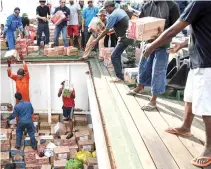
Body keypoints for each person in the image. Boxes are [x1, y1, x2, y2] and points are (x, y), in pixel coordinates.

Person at [142, 1, 211, 167]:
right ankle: (186, 127)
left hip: (206, 63)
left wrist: (151, 46)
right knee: (190, 96)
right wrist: (183, 43)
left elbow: (173, 29)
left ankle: (209, 148)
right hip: (198, 60)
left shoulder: (200, 2)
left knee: (205, 106)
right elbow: (204, 30)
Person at [127, 1, 180, 111]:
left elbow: (176, 27)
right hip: (148, 42)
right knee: (143, 66)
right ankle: (140, 86)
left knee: (158, 71)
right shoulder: (147, 5)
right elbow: (139, 21)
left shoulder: (172, 6)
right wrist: (133, 30)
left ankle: (154, 99)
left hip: (163, 44)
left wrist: (163, 33)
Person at [92, 0, 133, 82]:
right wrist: (108, 32)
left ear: (109, 6)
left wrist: (96, 40)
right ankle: (120, 74)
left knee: (114, 56)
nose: (105, 10)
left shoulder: (113, 15)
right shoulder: (119, 11)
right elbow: (116, 27)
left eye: (106, 8)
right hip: (128, 36)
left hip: (125, 38)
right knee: (117, 55)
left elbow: (106, 30)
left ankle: (119, 77)